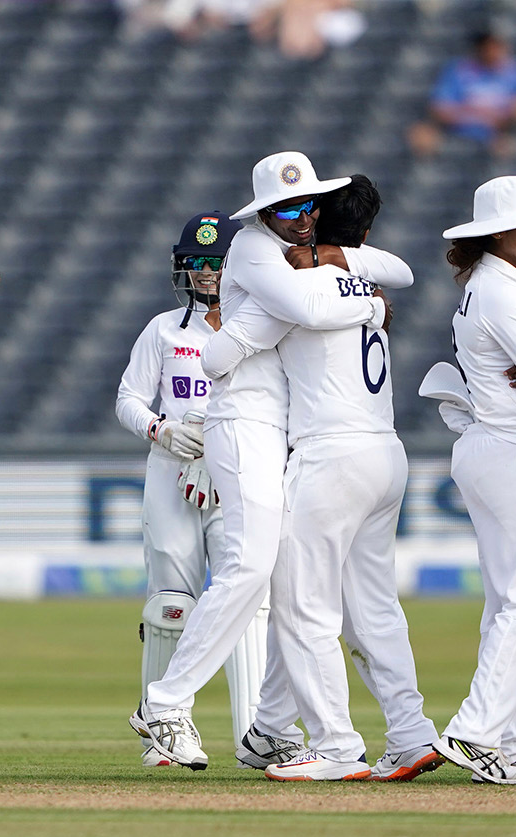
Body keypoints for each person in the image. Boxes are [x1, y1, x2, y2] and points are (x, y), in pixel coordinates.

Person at [134, 151, 399, 772]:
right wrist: (369, 304)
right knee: (250, 567)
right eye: (286, 208)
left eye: (307, 204)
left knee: (290, 587)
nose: (301, 217)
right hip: (243, 422)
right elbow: (296, 315)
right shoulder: (253, 247)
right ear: (262, 213)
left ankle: (271, 730)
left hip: (278, 428)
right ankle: (164, 704)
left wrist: (343, 262)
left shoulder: (295, 251)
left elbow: (401, 270)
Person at [199, 175, 437, 782]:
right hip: (386, 453)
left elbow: (225, 352)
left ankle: (336, 746)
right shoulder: (368, 281)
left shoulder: (301, 283)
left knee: (303, 609)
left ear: (316, 226)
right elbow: (398, 276)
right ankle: (409, 734)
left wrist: (231, 332)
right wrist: (371, 300)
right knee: (374, 609)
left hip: (330, 456)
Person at [420, 176, 516, 785]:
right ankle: (476, 732)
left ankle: (509, 740)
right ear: (496, 233)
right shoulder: (501, 291)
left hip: (501, 448)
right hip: (513, 449)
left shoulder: (497, 286)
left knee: (510, 600)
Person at [117, 209, 276, 768]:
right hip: (172, 469)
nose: (208, 274)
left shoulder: (264, 325)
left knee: (249, 599)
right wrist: (162, 430)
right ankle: (163, 733)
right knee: (170, 607)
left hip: (236, 469)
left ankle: (256, 735)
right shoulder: (163, 329)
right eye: (199, 263)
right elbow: (129, 400)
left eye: (219, 263)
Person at [407, 30, 516, 159]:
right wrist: (482, 115)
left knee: (508, 143)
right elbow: (440, 107)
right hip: (460, 128)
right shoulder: (459, 70)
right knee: (421, 135)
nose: (494, 52)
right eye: (488, 47)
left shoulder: (515, 70)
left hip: (503, 130)